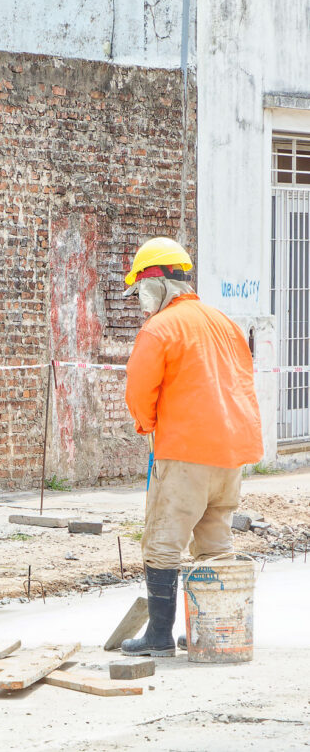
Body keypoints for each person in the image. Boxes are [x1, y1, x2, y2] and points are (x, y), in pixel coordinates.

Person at [120, 237, 263, 657]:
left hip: (185, 453)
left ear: (156, 283)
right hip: (231, 453)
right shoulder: (223, 321)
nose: (140, 302)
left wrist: (147, 425)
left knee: (163, 541)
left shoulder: (161, 328)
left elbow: (139, 389)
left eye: (140, 290)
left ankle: (159, 637)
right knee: (215, 541)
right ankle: (212, 631)